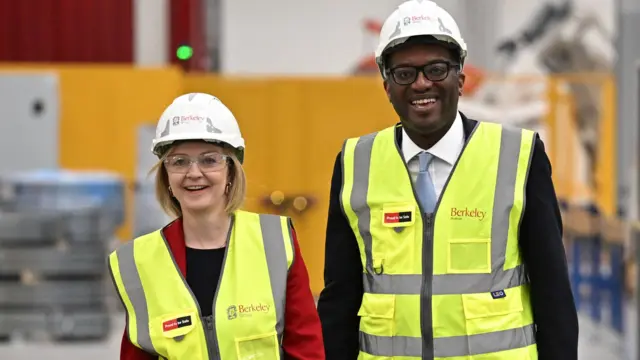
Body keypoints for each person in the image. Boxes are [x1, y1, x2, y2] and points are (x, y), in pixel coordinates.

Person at [316, 1, 579, 359]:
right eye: (404, 73)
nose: (422, 83)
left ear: (461, 78)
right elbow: (340, 299)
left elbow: (553, 297)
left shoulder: (519, 157)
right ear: (387, 86)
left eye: (437, 69)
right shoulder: (355, 163)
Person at [108, 93, 325, 360]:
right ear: (166, 177)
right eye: (179, 161)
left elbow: (307, 349)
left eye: (209, 159)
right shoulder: (138, 262)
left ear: (231, 172)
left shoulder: (275, 243)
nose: (194, 173)